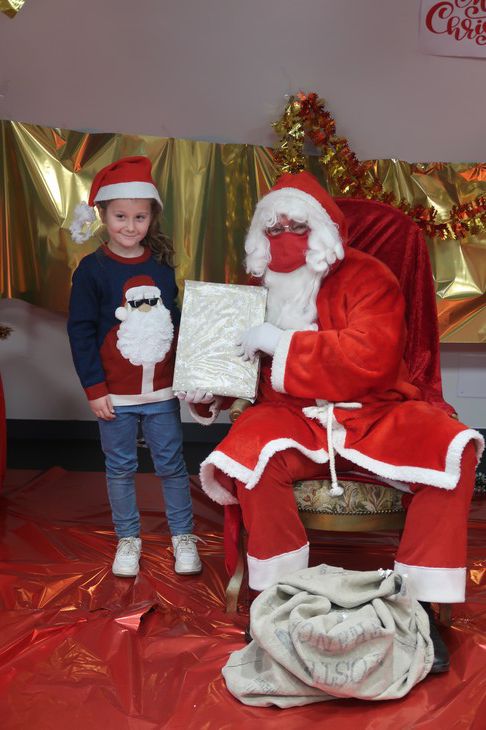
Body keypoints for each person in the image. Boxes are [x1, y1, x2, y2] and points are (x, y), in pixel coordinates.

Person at [179, 170, 483, 672]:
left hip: (375, 409)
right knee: (252, 454)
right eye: (272, 228)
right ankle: (280, 599)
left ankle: (421, 606)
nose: (284, 237)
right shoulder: (251, 291)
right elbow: (231, 364)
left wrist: (279, 342)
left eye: (296, 224)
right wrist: (207, 390)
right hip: (290, 416)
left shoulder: (368, 276)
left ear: (321, 230)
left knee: (452, 449)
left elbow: (374, 355)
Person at [67, 156, 202, 579]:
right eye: (121, 216)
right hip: (116, 397)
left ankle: (183, 535)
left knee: (172, 465)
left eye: (139, 217)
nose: (130, 226)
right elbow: (81, 332)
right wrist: (94, 389)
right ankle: (128, 538)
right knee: (120, 468)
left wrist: (192, 373)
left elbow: (176, 323)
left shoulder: (160, 265)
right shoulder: (92, 270)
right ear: (104, 215)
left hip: (161, 393)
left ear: (151, 217)